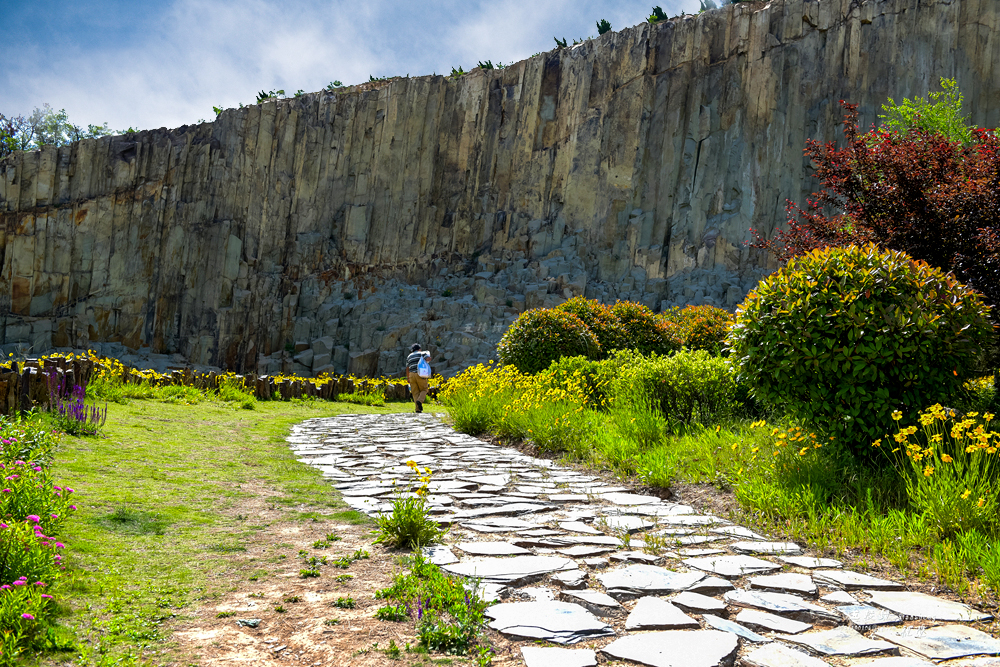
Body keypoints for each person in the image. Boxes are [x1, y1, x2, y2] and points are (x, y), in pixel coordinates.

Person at [404, 343, 431, 413]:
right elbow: (428, 359)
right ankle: (420, 401)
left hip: (411, 375)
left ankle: (418, 409)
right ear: (419, 349)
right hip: (420, 374)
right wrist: (429, 356)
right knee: (424, 389)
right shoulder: (422, 353)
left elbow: (407, 368)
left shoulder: (409, 356)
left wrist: (408, 378)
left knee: (415, 392)